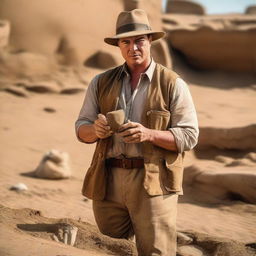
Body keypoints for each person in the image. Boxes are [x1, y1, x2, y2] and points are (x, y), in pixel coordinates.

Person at [75, 8, 199, 256]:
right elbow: (81, 129)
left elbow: (189, 136)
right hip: (106, 181)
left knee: (156, 252)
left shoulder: (173, 83)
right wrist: (95, 130)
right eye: (126, 42)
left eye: (139, 40)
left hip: (153, 183)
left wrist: (149, 134)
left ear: (150, 40)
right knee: (109, 249)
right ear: (119, 46)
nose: (133, 48)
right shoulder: (100, 82)